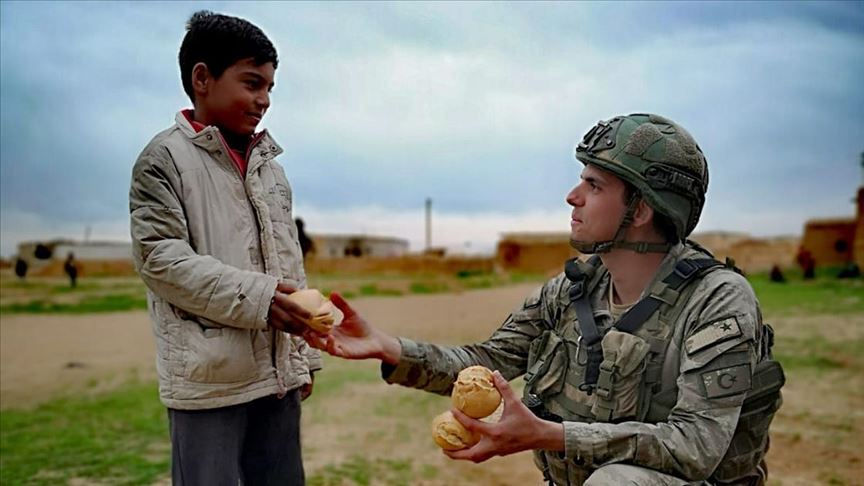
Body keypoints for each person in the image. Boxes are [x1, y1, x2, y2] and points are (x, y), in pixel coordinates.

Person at [316, 114, 784, 485]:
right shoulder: (575, 289)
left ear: (641, 210)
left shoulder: (717, 301)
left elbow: (696, 445)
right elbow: (488, 359)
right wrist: (386, 347)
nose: (572, 197)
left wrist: (549, 435)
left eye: (594, 186)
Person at [129, 11, 321, 485]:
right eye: (253, 83)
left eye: (271, 88)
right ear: (202, 79)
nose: (264, 100)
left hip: (277, 379)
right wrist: (261, 300)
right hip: (209, 380)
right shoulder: (163, 160)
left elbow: (289, 260)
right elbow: (162, 259)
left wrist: (305, 355)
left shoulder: (270, 167)